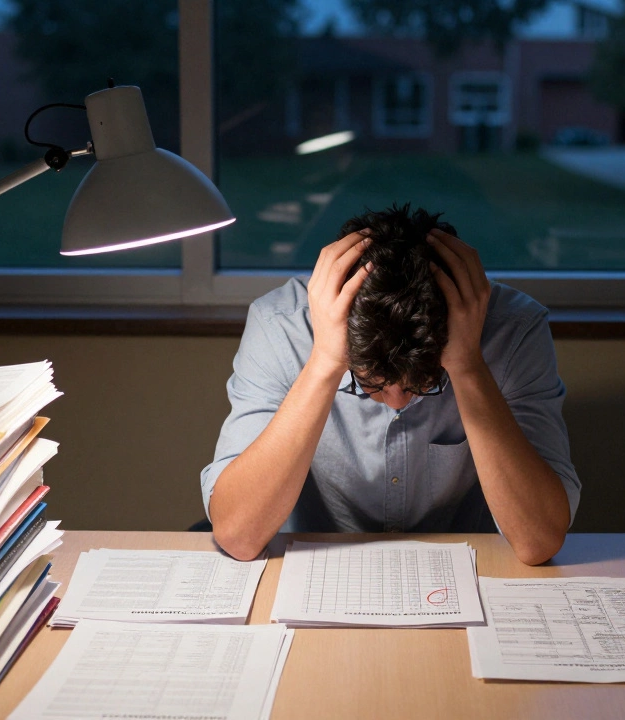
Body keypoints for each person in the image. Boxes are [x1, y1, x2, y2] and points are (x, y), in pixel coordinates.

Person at [201, 204, 579, 565]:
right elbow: (239, 536)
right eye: (370, 383)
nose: (397, 402)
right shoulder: (280, 326)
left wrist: (467, 366)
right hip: (314, 571)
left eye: (424, 383)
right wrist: (325, 362)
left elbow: (538, 541)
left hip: (476, 572)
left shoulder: (513, 331)